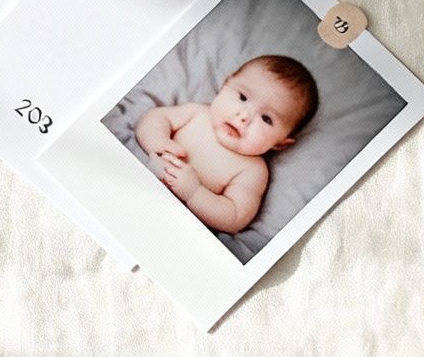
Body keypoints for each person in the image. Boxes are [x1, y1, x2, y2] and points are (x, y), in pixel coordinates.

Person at [133, 54, 318, 235]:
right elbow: (155, 117)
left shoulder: (253, 170)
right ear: (224, 85)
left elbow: (235, 217)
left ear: (280, 144)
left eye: (266, 118)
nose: (244, 116)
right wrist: (158, 142)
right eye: (243, 97)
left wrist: (194, 192)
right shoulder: (197, 113)